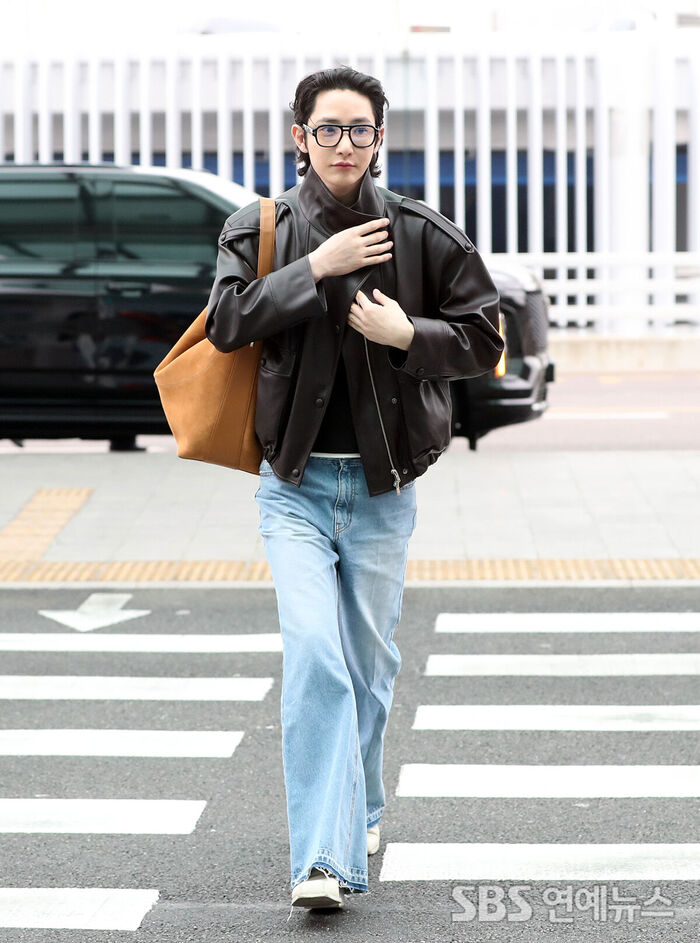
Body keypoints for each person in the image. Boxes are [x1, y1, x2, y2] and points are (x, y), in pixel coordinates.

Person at [205, 66, 504, 917]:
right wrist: (318, 268)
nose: (344, 145)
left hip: (382, 490)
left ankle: (364, 806)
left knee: (370, 669)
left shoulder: (420, 232)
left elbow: (485, 339)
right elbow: (227, 320)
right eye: (327, 129)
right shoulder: (258, 225)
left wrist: (408, 332)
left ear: (380, 137)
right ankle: (324, 859)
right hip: (292, 487)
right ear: (299, 136)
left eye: (359, 130)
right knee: (318, 661)